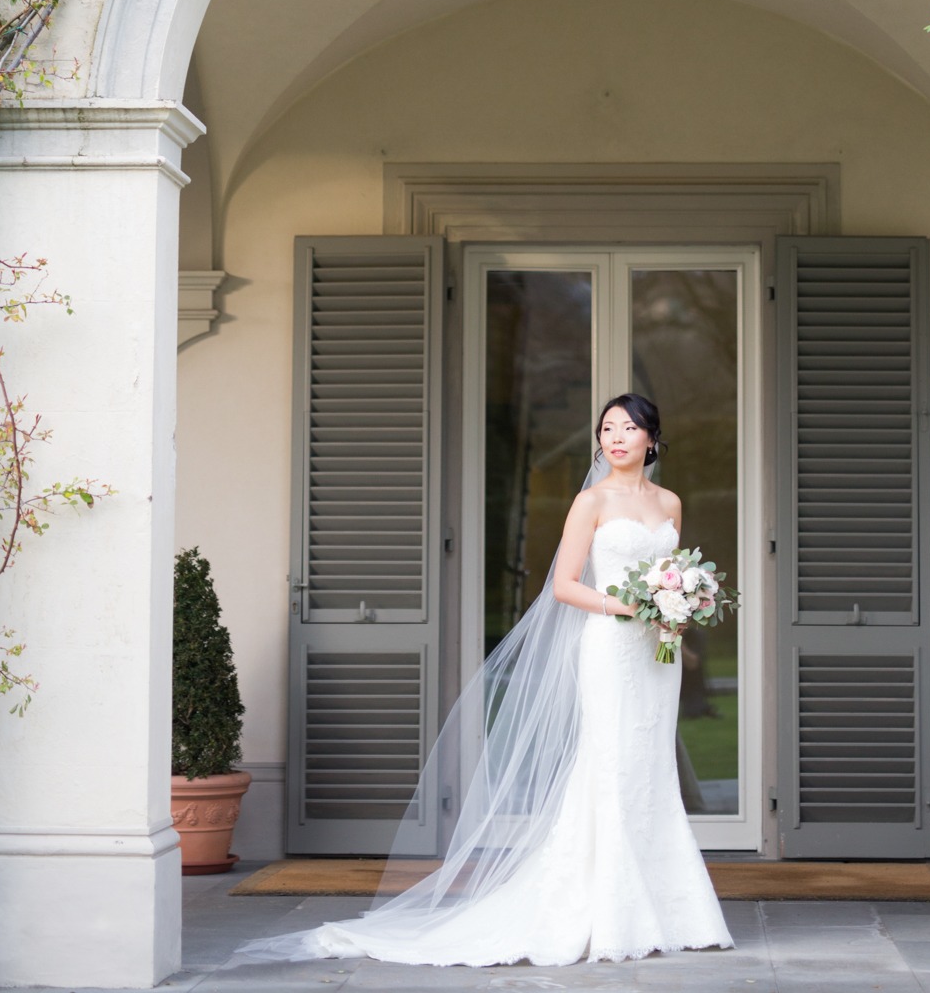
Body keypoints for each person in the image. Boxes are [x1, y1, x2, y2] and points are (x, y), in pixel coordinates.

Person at [234, 393, 733, 968]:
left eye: (628, 427)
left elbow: (675, 573)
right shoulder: (589, 501)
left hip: (655, 657)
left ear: (652, 436)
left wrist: (677, 608)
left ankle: (672, 911)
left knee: (651, 768)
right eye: (606, 428)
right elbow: (565, 586)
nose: (615, 436)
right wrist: (628, 607)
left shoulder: (670, 502)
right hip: (610, 649)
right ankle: (609, 914)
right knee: (612, 765)